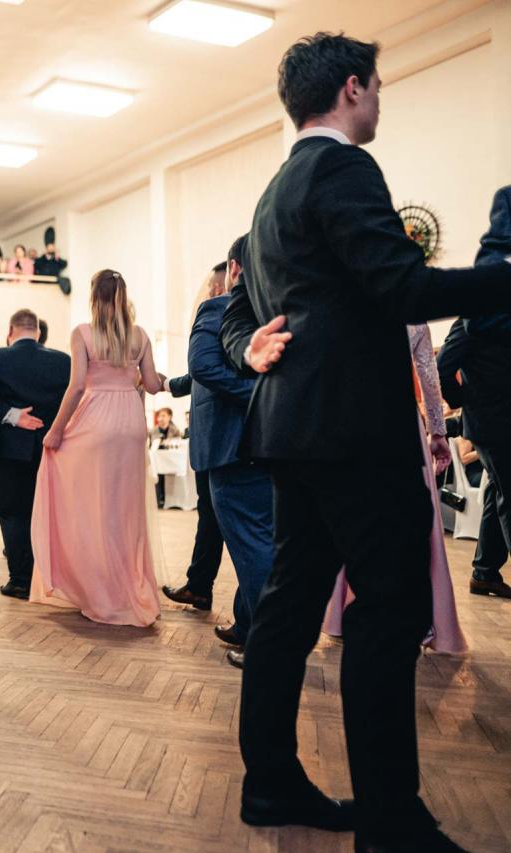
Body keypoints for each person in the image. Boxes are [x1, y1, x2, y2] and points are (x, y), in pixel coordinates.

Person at [218, 33, 511, 849]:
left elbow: (246, 310)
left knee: (288, 607)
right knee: (390, 607)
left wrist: (245, 346)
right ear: (352, 88)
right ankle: (390, 818)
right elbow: (402, 288)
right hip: (352, 428)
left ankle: (270, 782)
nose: (379, 100)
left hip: (292, 428)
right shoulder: (344, 168)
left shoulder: (274, 191)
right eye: (376, 87)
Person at [29, 269, 165, 626]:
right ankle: (128, 589)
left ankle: (99, 590)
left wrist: (56, 431)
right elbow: (152, 385)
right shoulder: (140, 336)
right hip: (131, 425)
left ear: (93, 297)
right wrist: (165, 381)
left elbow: (76, 387)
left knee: (90, 508)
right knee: (125, 511)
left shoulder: (83, 333)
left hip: (96, 423)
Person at [324, 322, 468, 654]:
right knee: (407, 523)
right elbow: (429, 379)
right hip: (401, 422)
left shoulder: (347, 301)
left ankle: (347, 611)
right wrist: (437, 433)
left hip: (352, 421)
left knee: (356, 519)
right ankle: (410, 616)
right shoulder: (414, 316)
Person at [181, 244, 270, 668]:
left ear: (234, 268)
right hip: (275, 442)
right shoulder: (282, 310)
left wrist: (260, 395)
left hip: (231, 445)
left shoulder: (217, 308)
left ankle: (268, 644)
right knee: (258, 537)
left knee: (253, 545)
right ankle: (247, 623)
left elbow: (202, 366)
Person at [437, 184, 511, 600]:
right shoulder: (476, 313)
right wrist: (465, 403)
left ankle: (484, 571)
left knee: (499, 491)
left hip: (495, 417)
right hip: (492, 418)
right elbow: (443, 365)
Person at [0, 308, 70, 599]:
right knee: (48, 514)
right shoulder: (63, 362)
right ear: (38, 332)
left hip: (7, 450)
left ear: (10, 331)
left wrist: (13, 415)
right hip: (51, 451)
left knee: (12, 513)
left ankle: (20, 580)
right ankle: (46, 576)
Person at [161, 263, 229, 614]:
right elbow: (199, 376)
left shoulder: (218, 310)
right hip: (214, 435)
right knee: (210, 514)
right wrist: (168, 384)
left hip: (219, 433)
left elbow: (204, 369)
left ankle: (247, 612)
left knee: (225, 517)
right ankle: (199, 586)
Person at [149, 407, 182, 509]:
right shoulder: (153, 431)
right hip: (158, 460)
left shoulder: (176, 430)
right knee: (158, 477)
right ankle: (159, 499)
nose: (160, 418)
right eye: (159, 416)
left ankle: (171, 500)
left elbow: (179, 444)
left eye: (163, 416)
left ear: (169, 417)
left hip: (171, 460)